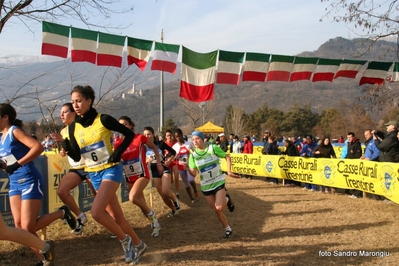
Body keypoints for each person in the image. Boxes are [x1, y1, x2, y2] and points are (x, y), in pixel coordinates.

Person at [59, 85, 146, 264]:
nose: (75, 105)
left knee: (97, 213)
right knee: (116, 216)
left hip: (110, 169)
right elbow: (77, 156)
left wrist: (118, 151)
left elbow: (129, 134)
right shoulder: (74, 127)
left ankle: (125, 240)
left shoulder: (103, 119)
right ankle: (139, 244)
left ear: (89, 101)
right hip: (93, 173)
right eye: (73, 101)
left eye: (79, 101)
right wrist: (66, 146)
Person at [0, 103, 76, 265]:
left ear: (5, 117)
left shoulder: (15, 131)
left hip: (29, 179)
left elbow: (38, 147)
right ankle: (44, 260)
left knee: (28, 226)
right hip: (14, 183)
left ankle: (62, 213)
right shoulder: (1, 138)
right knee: (19, 226)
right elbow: (7, 161)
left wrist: (18, 164)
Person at [115, 116, 163, 237]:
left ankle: (152, 214)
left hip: (142, 174)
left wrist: (158, 163)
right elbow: (116, 158)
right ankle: (155, 224)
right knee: (141, 204)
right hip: (130, 176)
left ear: (131, 125)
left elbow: (154, 147)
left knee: (132, 197)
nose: (123, 127)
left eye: (125, 124)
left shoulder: (139, 138)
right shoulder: (118, 143)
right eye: (120, 125)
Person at [52, 103, 95, 235]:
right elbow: (69, 150)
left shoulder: (81, 127)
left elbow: (83, 146)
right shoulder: (63, 131)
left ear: (73, 113)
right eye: (61, 113)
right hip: (76, 168)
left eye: (65, 112)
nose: (62, 115)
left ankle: (115, 222)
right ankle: (80, 216)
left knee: (100, 196)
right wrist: (63, 151)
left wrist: (66, 144)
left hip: (89, 166)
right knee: (62, 191)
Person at [187, 131, 236, 239]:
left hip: (218, 181)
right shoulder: (193, 156)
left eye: (197, 139)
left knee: (219, 207)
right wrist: (187, 168)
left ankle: (227, 199)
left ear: (202, 139)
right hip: (206, 185)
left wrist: (229, 171)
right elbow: (194, 173)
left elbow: (227, 156)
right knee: (216, 210)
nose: (195, 141)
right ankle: (228, 229)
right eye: (193, 139)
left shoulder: (212, 148)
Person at [143, 126, 180, 217]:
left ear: (153, 135)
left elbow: (173, 152)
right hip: (154, 171)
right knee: (163, 196)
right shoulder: (143, 147)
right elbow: (140, 158)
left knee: (165, 191)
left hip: (164, 168)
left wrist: (169, 160)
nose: (147, 136)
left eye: (149, 134)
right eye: (145, 135)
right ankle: (173, 210)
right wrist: (146, 158)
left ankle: (175, 201)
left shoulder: (160, 144)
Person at [173, 128, 200, 205]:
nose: (178, 138)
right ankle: (191, 198)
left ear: (182, 135)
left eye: (179, 136)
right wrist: (175, 156)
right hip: (181, 167)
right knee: (186, 184)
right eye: (176, 137)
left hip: (189, 166)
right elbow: (173, 157)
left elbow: (195, 151)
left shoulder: (189, 143)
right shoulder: (175, 147)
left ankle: (195, 191)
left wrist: (194, 159)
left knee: (191, 180)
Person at [164, 130, 180, 199]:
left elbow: (178, 151)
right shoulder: (164, 144)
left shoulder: (175, 143)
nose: (169, 137)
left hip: (174, 162)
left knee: (176, 176)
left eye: (170, 135)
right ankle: (169, 191)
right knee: (170, 180)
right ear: (165, 137)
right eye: (167, 135)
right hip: (168, 163)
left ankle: (177, 193)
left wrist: (175, 156)